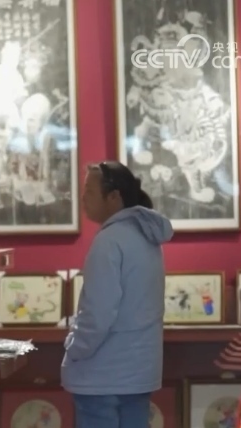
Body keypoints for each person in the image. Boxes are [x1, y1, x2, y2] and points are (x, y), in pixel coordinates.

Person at [62, 161, 174, 428]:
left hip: (103, 374)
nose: (83, 198)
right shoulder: (146, 237)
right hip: (138, 371)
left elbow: (98, 314)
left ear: (113, 197)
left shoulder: (109, 241)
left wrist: (74, 347)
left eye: (89, 191)